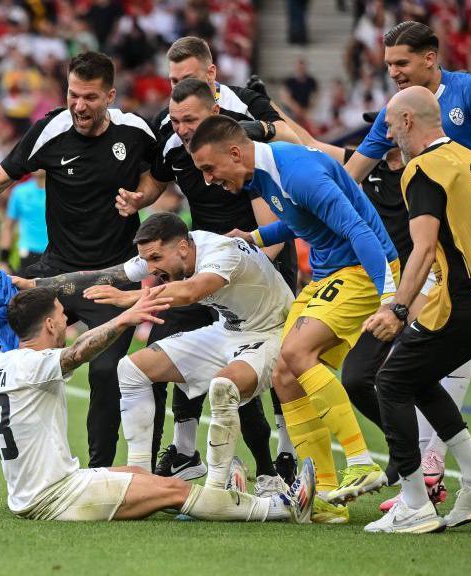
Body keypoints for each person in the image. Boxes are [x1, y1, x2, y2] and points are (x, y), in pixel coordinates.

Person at [292, 21, 471, 501]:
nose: (393, 72)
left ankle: (421, 480)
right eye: (389, 63)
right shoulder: (394, 116)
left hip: (470, 254)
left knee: (403, 371)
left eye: (402, 63)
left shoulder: (469, 93)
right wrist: (305, 205)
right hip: (428, 251)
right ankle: (452, 474)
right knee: (398, 371)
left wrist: (454, 165)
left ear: (430, 58)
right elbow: (348, 177)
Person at [0, 52, 159, 508]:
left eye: (90, 97)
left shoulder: (136, 132)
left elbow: (155, 181)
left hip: (113, 275)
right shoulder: (51, 129)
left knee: (107, 369)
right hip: (53, 272)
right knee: (4, 352)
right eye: (73, 94)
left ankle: (98, 473)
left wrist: (140, 198)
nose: (79, 105)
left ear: (109, 97)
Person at [188, 115, 399, 523]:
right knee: (284, 373)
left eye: (209, 168)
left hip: (361, 269)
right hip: (329, 274)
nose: (209, 179)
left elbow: (360, 232)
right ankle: (322, 491)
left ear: (235, 152)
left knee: (298, 351)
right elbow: (300, 219)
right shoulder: (264, 176)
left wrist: (390, 298)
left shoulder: (297, 172)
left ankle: (360, 460)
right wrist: (255, 237)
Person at [115, 38, 302, 486]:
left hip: (251, 256)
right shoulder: (171, 129)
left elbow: (294, 151)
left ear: (213, 80)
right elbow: (159, 179)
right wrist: (141, 198)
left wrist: (255, 258)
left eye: (190, 81)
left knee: (274, 365)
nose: (180, 91)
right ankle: (181, 452)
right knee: (176, 343)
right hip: (197, 256)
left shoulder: (240, 125)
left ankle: (285, 457)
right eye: (174, 82)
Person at [0, 286, 315, 523]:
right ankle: (280, 508)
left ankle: (229, 503)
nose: (67, 322)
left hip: (35, 492)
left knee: (138, 475)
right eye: (62, 315)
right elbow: (77, 353)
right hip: (58, 496)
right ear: (51, 324)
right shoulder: (35, 366)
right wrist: (124, 320)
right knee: (172, 489)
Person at [20, 212, 294, 499]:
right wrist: (34, 284)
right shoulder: (170, 250)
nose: (151, 268)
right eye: (147, 261)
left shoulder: (221, 251)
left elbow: (191, 291)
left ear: (183, 248)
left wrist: (130, 298)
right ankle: (141, 479)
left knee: (224, 388)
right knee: (131, 368)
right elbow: (109, 274)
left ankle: (216, 493)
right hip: (229, 329)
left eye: (155, 259)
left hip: (272, 332)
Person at [363, 86, 471, 534]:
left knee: (390, 381)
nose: (388, 133)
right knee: (417, 378)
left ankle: (415, 502)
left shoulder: (422, 169)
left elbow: (421, 251)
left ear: (408, 123)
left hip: (470, 297)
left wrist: (397, 310)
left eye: (390, 124)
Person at [2, 172, 48, 272]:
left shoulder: (61, 191)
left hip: (54, 255)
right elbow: (8, 226)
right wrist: (4, 260)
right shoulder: (20, 192)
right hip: (27, 254)